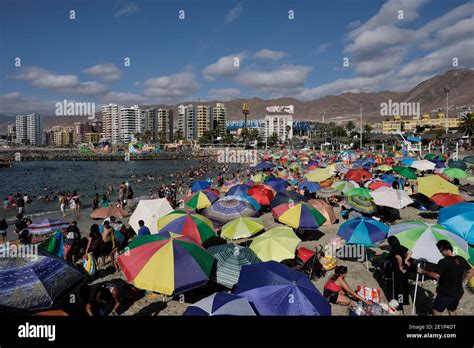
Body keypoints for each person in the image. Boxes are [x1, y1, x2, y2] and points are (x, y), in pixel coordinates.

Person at [418, 240, 473, 316]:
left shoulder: (443, 261)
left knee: (436, 312)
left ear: (441, 248)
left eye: (439, 250)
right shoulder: (461, 259)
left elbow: (436, 275)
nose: (440, 252)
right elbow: (471, 272)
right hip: (458, 292)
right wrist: (463, 282)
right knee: (452, 311)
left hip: (446, 293)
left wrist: (422, 271)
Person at [387, 236, 411, 308]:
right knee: (404, 285)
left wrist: (400, 266)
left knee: (398, 287)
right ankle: (404, 301)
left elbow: (399, 258)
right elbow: (410, 252)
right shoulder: (401, 247)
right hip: (405, 269)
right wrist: (406, 260)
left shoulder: (393, 250)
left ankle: (399, 304)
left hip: (398, 270)